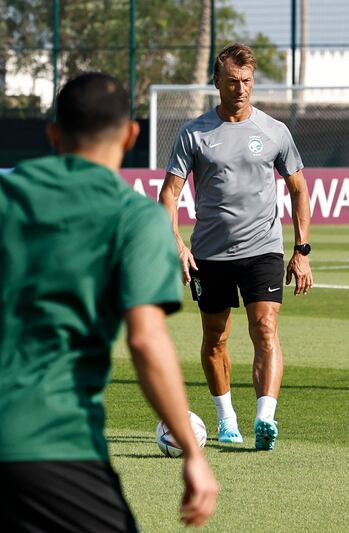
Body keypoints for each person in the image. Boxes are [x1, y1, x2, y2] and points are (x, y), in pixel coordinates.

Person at [0, 72, 218, 530]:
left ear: (53, 133)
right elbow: (145, 340)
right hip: (49, 443)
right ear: (132, 133)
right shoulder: (135, 218)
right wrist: (191, 450)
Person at [159, 42, 313, 451]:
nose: (241, 88)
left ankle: (265, 417)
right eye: (232, 81)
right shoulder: (194, 133)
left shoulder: (275, 131)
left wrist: (302, 249)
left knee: (265, 329)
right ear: (217, 83)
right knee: (217, 338)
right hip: (209, 254)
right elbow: (169, 194)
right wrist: (175, 242)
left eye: (247, 81)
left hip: (263, 248)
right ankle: (227, 420)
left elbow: (299, 189)